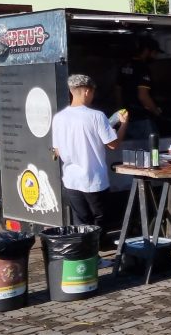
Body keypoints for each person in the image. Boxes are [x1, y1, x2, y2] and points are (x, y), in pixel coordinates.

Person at [51, 74, 129, 239]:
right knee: (99, 221)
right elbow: (113, 144)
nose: (93, 96)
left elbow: (56, 150)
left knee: (81, 222)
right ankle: (95, 255)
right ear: (86, 91)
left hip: (71, 180)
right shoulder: (96, 116)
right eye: (93, 92)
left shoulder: (59, 118)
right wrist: (123, 124)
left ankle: (84, 257)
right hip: (94, 180)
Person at [117, 36, 163, 139]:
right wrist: (156, 112)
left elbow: (118, 90)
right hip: (142, 119)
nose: (155, 57)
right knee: (152, 150)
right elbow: (143, 96)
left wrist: (121, 110)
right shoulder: (142, 68)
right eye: (155, 53)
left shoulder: (125, 65)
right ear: (147, 51)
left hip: (127, 118)